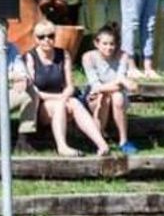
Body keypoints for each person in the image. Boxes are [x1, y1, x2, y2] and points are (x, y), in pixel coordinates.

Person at [26, 19, 110, 157]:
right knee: (60, 104)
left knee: (75, 103)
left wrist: (65, 97)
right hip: (41, 105)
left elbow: (70, 86)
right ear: (35, 38)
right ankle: (62, 146)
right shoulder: (30, 57)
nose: (46, 40)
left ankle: (101, 144)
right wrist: (61, 98)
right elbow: (34, 91)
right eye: (41, 37)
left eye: (50, 36)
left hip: (64, 99)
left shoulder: (63, 55)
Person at [82, 24, 139, 154]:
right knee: (104, 97)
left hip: (117, 96)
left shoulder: (122, 56)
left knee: (118, 97)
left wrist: (120, 82)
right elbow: (95, 85)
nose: (109, 47)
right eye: (105, 43)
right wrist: (122, 81)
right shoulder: (88, 57)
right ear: (97, 43)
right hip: (95, 97)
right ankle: (98, 139)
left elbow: (120, 81)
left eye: (112, 44)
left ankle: (123, 140)